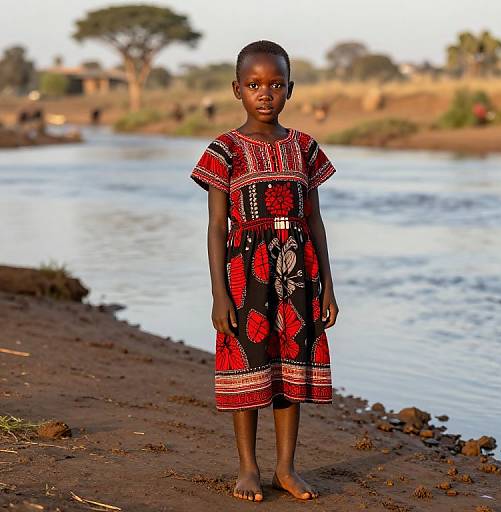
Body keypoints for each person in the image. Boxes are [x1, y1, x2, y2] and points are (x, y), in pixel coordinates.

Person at [190, 40, 340, 502]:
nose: (265, 93)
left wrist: (328, 285)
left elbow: (313, 219)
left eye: (276, 84)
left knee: (289, 369)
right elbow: (217, 227)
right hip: (244, 275)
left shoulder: (304, 148)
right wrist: (219, 294)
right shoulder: (224, 151)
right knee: (250, 366)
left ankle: (286, 469)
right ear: (237, 89)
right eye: (254, 85)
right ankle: (248, 468)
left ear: (290, 88)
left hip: (297, 273)